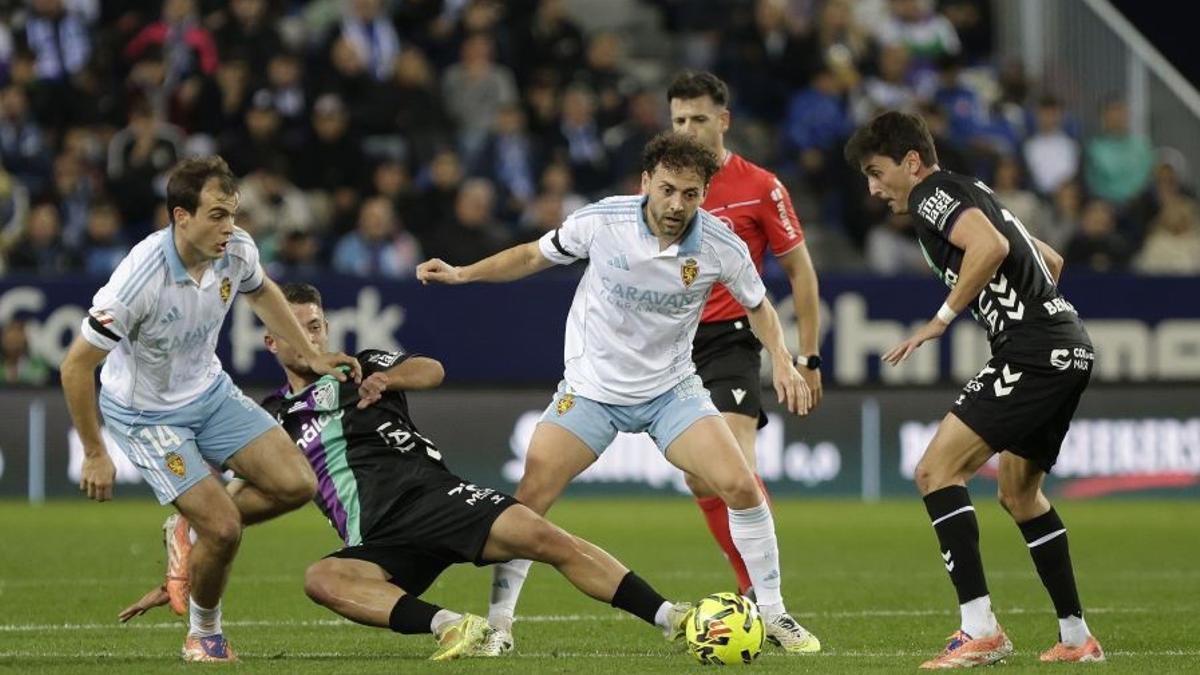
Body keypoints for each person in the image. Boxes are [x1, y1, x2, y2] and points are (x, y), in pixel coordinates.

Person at [117, 283, 693, 660]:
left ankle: (672, 618)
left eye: (316, 326)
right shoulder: (269, 420)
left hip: (436, 499)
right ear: (271, 341)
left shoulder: (361, 367)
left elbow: (432, 369)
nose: (310, 336)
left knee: (545, 537)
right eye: (296, 328)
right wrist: (187, 568)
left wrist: (387, 378)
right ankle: (455, 627)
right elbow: (232, 505)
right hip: (377, 539)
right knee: (322, 579)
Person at [417, 132, 821, 656]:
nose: (677, 205)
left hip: (671, 391)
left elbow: (759, 305)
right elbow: (532, 256)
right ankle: (500, 624)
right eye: (668, 189)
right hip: (591, 391)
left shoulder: (721, 245)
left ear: (704, 193)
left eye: (691, 194)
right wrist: (463, 273)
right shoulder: (601, 221)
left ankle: (773, 613)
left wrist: (784, 361)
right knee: (529, 502)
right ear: (646, 182)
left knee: (742, 487)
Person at [59, 156, 361, 663]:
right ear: (182, 216)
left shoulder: (236, 249)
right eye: (217, 215)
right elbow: (75, 366)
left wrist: (310, 356)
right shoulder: (138, 280)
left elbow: (263, 292)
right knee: (225, 528)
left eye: (233, 214)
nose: (230, 227)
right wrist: (94, 452)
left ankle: (188, 530)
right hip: (147, 416)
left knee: (297, 484)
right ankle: (203, 635)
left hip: (210, 392)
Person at [843, 111, 1105, 668]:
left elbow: (989, 247)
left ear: (911, 162)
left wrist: (941, 320)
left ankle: (980, 630)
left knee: (935, 471)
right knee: (1019, 495)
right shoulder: (976, 190)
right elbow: (1049, 259)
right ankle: (1077, 638)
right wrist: (1032, 312)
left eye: (876, 172)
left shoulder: (930, 195)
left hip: (1034, 352)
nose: (873, 189)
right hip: (1068, 346)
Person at [666, 71, 823, 600]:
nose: (687, 130)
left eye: (698, 118)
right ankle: (751, 584)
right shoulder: (660, 187)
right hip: (673, 343)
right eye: (679, 120)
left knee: (734, 463)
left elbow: (800, 271)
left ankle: (762, 594)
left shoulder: (760, 187)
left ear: (724, 120)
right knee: (698, 477)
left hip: (731, 338)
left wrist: (807, 356)